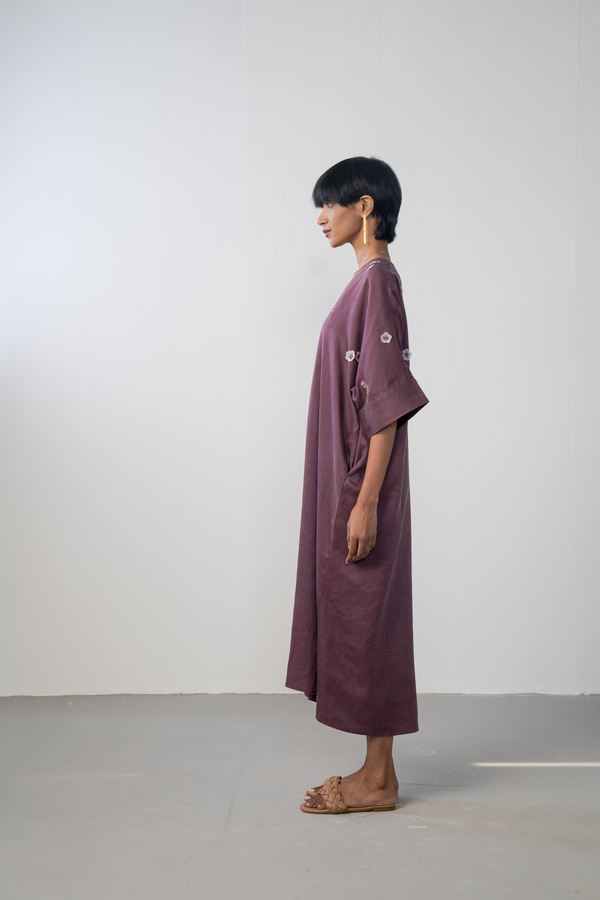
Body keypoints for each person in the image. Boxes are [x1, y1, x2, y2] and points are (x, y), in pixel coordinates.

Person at [285, 156, 430, 815]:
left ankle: (376, 781)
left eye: (331, 204)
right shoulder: (364, 283)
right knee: (360, 618)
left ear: (364, 206)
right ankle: (379, 774)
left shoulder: (378, 284)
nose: (322, 217)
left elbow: (385, 403)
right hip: (347, 479)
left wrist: (366, 501)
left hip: (361, 482)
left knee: (370, 621)